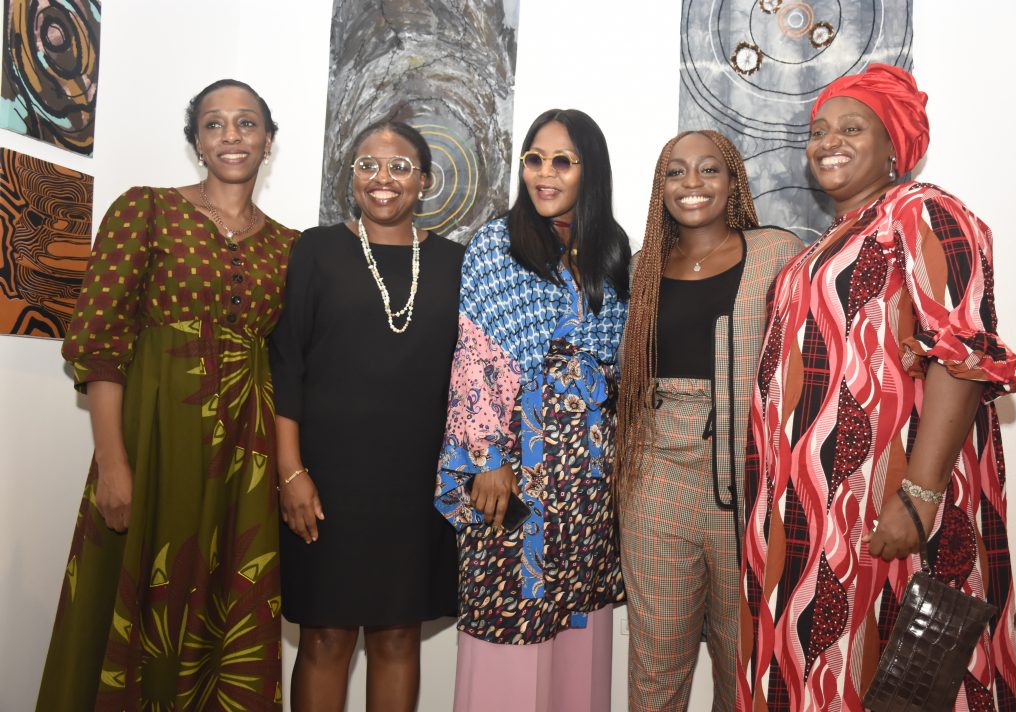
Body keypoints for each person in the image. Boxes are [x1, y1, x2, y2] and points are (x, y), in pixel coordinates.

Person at [737, 63, 1016, 710]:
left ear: (895, 144)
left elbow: (961, 357)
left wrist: (919, 497)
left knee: (893, 677)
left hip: (883, 509)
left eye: (852, 128)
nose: (829, 142)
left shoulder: (922, 212)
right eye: (819, 131)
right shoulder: (827, 243)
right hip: (808, 524)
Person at [37, 79, 298, 710]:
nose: (231, 135)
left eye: (246, 123)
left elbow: (293, 363)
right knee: (141, 608)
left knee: (225, 608)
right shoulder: (145, 210)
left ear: (268, 141)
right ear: (196, 142)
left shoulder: (291, 246)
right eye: (214, 123)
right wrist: (113, 462)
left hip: (244, 461)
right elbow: (100, 343)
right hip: (153, 442)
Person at [433, 108, 630, 712]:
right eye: (534, 159)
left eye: (562, 161)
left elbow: (621, 361)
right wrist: (487, 457)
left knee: (579, 626)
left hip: (588, 472)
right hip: (517, 460)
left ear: (590, 171)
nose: (545, 174)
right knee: (507, 609)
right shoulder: (498, 244)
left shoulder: (612, 249)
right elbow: (476, 357)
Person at [268, 119, 461, 712]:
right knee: (325, 637)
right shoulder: (317, 249)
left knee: (398, 636)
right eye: (368, 165)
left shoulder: (456, 262)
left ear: (424, 181)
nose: (383, 179)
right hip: (326, 482)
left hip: (416, 484)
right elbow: (287, 367)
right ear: (350, 176)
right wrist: (291, 472)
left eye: (400, 167)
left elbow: (473, 375)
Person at [615, 130, 802, 711]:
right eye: (676, 171)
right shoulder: (642, 268)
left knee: (742, 658)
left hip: (745, 478)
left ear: (733, 181)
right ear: (661, 187)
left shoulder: (777, 253)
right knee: (656, 659)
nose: (691, 183)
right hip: (655, 476)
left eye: (708, 169)